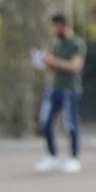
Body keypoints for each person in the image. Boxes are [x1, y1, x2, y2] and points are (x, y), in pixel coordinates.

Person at [35, 13, 87, 173]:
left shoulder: (77, 44)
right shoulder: (57, 45)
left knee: (70, 123)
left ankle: (74, 157)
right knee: (45, 121)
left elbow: (75, 66)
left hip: (70, 89)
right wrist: (45, 62)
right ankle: (52, 155)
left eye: (55, 26)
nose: (53, 30)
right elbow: (55, 67)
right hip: (55, 88)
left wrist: (53, 61)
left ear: (63, 26)